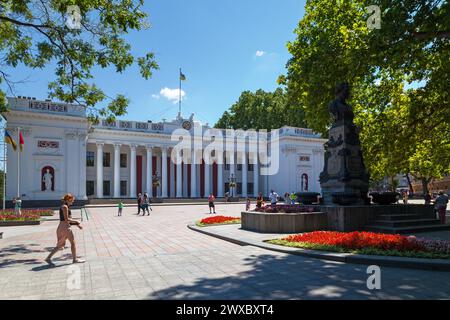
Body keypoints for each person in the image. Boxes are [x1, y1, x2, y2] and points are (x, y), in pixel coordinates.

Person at [45, 193, 84, 265]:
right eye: (72, 200)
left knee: (59, 245)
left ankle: (48, 258)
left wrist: (77, 225)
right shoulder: (65, 207)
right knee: (73, 243)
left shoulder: (66, 207)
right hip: (65, 227)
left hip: (62, 227)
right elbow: (66, 219)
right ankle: (75, 259)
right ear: (68, 200)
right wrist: (76, 221)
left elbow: (68, 220)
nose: (73, 201)